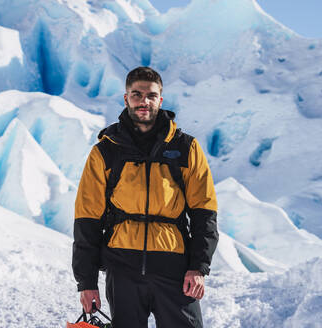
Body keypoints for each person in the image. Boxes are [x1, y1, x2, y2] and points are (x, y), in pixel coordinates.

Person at [72, 67, 218, 328]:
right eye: (137, 94)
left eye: (151, 95)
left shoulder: (186, 147)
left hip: (174, 265)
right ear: (126, 98)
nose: (144, 101)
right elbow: (87, 218)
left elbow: (204, 211)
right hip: (122, 266)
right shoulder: (105, 151)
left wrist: (198, 267)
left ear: (160, 100)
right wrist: (87, 282)